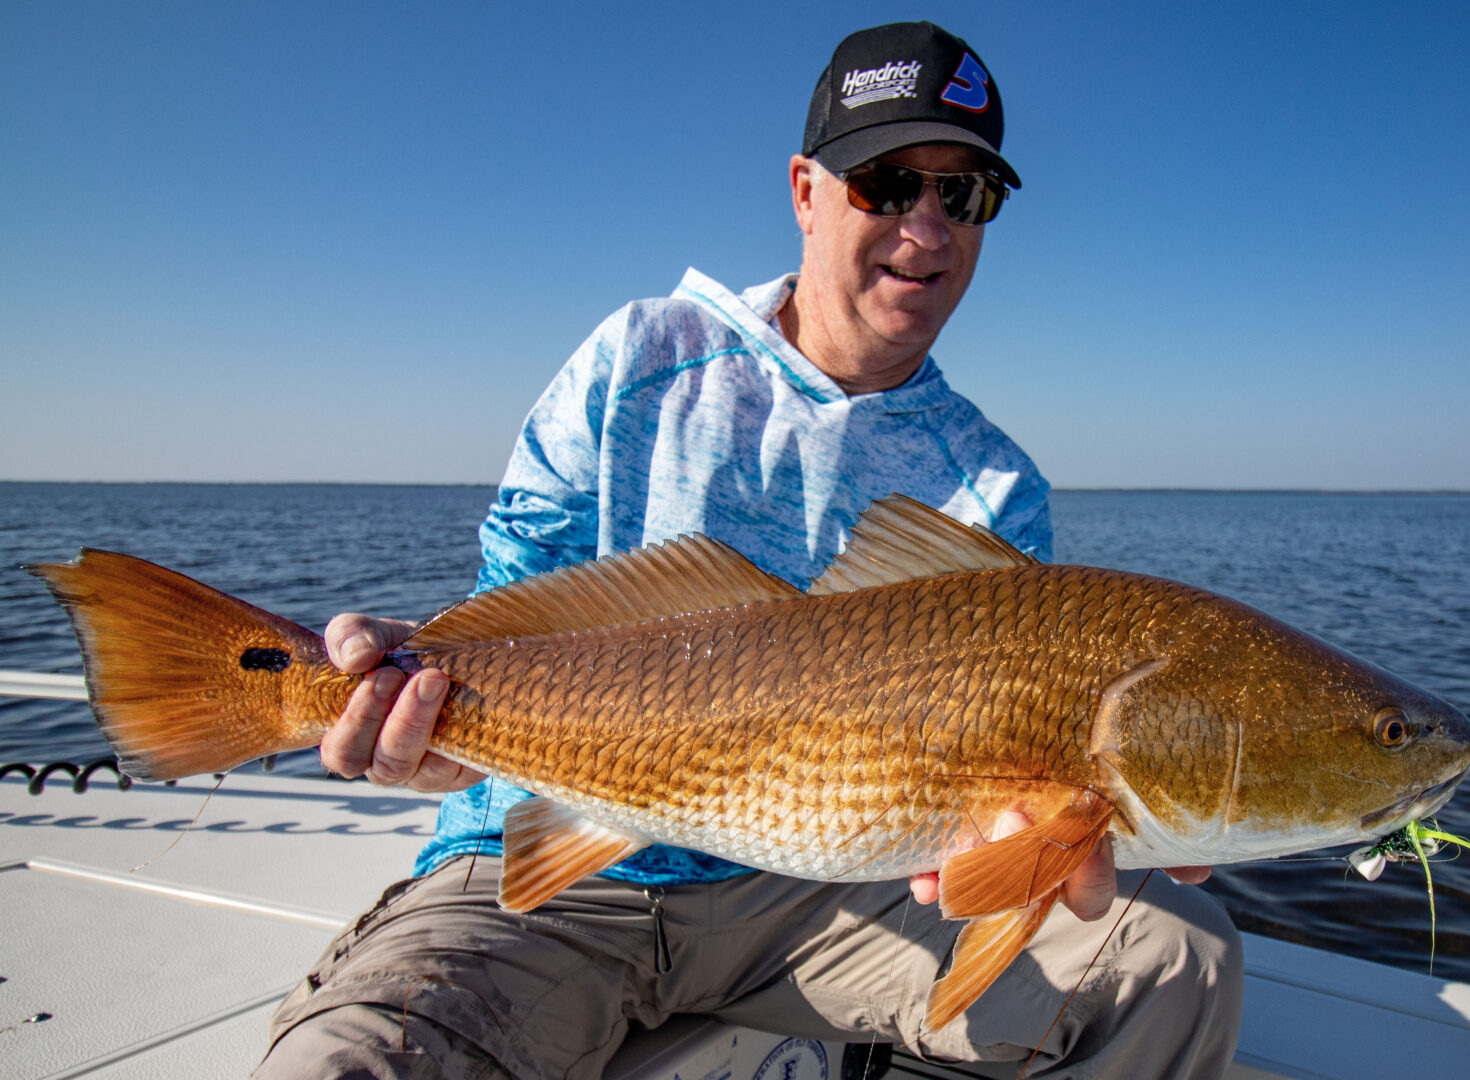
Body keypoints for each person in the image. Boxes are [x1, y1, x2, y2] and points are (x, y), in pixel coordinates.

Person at [255, 21, 1242, 1080]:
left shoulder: (997, 484)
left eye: (963, 195)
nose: (926, 228)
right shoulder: (641, 357)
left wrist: (1047, 844)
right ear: (806, 192)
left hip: (823, 898)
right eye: (886, 183)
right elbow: (517, 599)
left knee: (1175, 957)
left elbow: (1015, 802)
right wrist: (408, 686)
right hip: (548, 870)